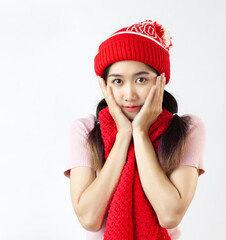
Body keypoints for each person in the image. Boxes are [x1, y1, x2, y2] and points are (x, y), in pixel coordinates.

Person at [63, 20, 206, 240]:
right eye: (118, 81)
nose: (129, 94)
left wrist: (140, 133)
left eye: (141, 79)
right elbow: (90, 219)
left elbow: (169, 215)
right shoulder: (85, 130)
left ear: (161, 80)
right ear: (104, 85)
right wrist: (123, 136)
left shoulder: (187, 129)